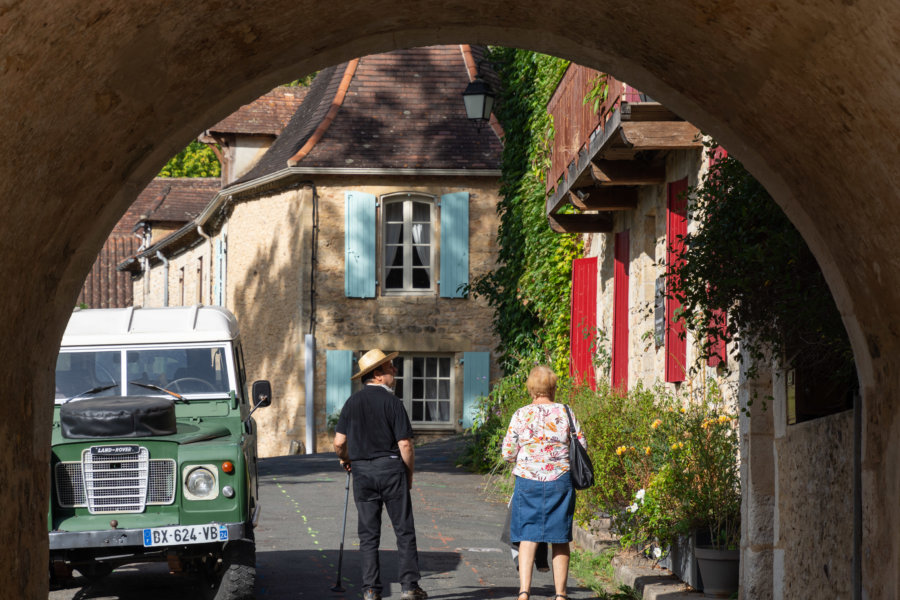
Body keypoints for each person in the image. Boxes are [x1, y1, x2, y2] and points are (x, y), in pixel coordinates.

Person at [333, 349, 428, 600]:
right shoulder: (393, 403)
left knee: (368, 534)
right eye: (390, 367)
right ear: (377, 375)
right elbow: (405, 445)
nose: (394, 371)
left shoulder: (351, 403)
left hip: (363, 471)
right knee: (403, 530)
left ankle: (371, 589)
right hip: (390, 469)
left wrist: (346, 459)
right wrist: (408, 475)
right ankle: (409, 587)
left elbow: (338, 442)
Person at [501, 365, 586, 600]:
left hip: (528, 481)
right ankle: (560, 595)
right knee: (559, 538)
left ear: (531, 388)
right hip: (560, 481)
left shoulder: (521, 414)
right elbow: (582, 447)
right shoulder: (566, 412)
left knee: (528, 536)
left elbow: (507, 452)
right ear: (553, 387)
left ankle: (524, 591)